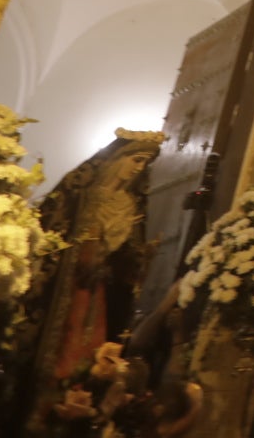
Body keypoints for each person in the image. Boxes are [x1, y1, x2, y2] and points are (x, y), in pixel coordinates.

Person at [26, 127, 164, 425]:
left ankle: (76, 407)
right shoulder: (79, 191)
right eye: (136, 160)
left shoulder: (131, 205)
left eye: (144, 164)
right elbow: (49, 229)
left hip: (99, 294)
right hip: (66, 288)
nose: (138, 168)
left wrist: (140, 260)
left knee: (89, 354)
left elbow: (128, 263)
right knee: (56, 350)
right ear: (117, 157)